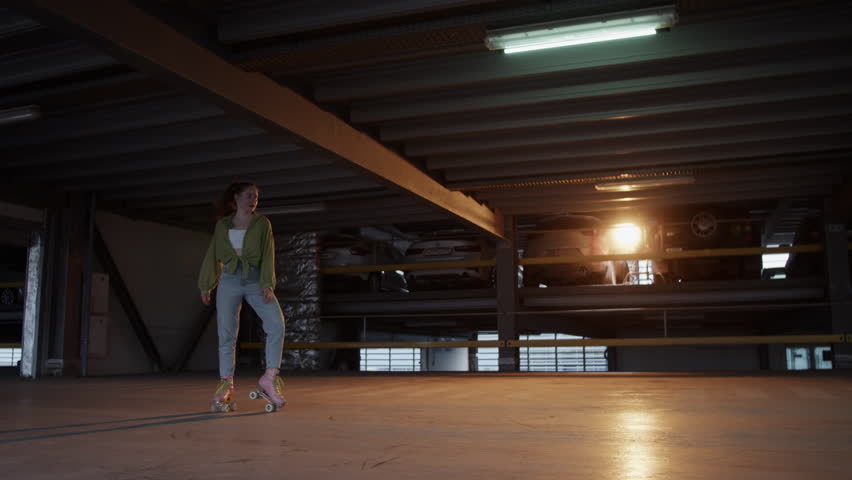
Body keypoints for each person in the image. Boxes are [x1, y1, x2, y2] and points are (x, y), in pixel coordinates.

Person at [198, 181, 286, 412]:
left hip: (256, 279)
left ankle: (269, 377)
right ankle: (225, 383)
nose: (253, 200)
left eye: (256, 196)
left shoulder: (262, 224)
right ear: (236, 198)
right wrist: (206, 284)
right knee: (226, 333)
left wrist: (268, 283)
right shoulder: (222, 225)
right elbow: (213, 255)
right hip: (228, 279)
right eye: (249, 196)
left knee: (276, 324)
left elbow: (268, 253)